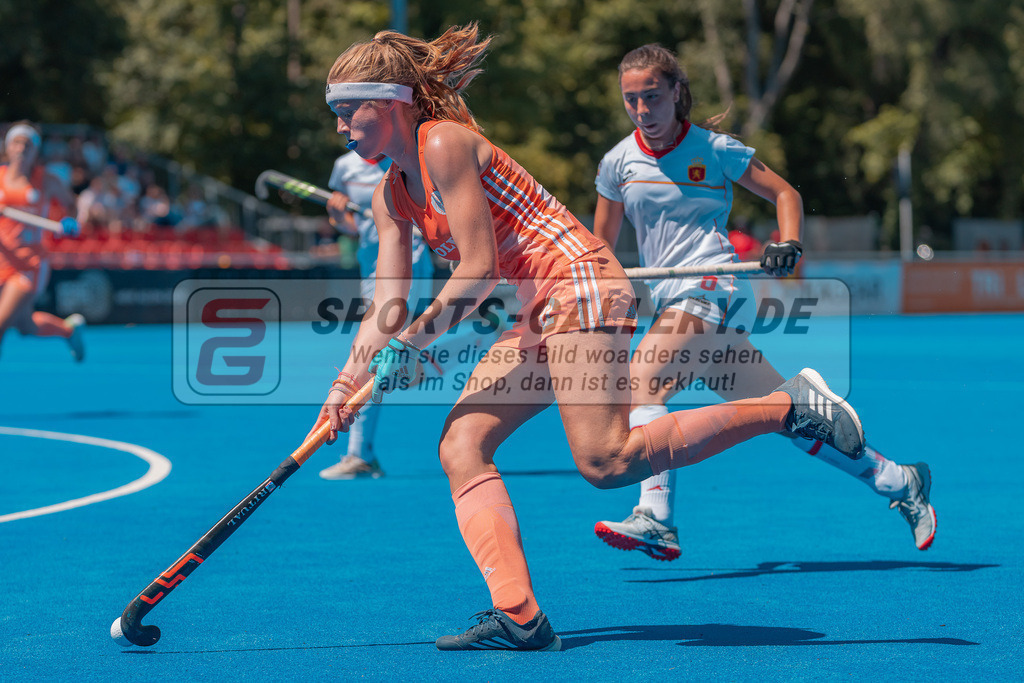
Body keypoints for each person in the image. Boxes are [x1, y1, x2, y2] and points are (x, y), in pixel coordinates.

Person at [310, 25, 866, 652]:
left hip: (580, 285)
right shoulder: (392, 196)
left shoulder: (443, 142)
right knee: (462, 443)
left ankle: (787, 406)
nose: (339, 126)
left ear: (394, 102)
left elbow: (477, 269)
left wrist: (412, 344)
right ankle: (518, 614)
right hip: (535, 311)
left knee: (605, 461)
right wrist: (346, 383)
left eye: (346, 109)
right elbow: (384, 304)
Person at [590, 44, 935, 562]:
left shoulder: (715, 148)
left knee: (643, 381)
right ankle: (897, 479)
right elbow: (601, 249)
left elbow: (785, 195)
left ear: (677, 94)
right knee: (785, 415)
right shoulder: (617, 163)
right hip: (669, 300)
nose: (642, 111)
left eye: (653, 98)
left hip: (711, 287)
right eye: (631, 100)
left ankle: (655, 517)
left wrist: (788, 242)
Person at [316, 150, 434, 480]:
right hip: (370, 264)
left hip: (408, 265)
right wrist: (337, 216)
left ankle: (360, 455)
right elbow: (350, 229)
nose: (343, 127)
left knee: (377, 356)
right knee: (386, 355)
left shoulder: (407, 161)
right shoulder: (344, 167)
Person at [0, 122, 85, 361]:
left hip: (30, 264)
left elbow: (71, 205)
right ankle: (68, 330)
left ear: (35, 151)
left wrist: (69, 220)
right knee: (25, 326)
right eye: (16, 143)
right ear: (8, 148)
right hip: (2, 262)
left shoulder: (45, 180)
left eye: (27, 145)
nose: (21, 149)